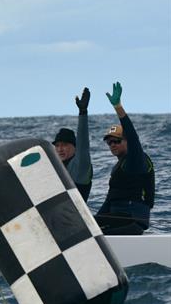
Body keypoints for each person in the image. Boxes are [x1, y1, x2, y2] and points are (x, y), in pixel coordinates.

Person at [95, 82, 155, 235]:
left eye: (117, 141)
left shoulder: (136, 161)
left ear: (127, 141)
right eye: (109, 143)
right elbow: (110, 200)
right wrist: (92, 221)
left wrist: (118, 108)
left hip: (133, 221)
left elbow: (134, 138)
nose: (112, 145)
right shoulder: (118, 167)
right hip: (117, 218)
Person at [52, 87, 93, 200]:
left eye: (65, 145)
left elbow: (83, 145)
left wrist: (83, 112)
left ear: (75, 148)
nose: (60, 149)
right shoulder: (56, 166)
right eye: (57, 145)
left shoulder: (80, 166)